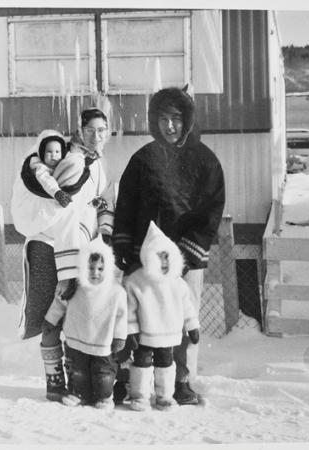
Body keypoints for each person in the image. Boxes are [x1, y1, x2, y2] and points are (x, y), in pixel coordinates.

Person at [113, 86, 225, 405]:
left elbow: (210, 212)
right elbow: (126, 206)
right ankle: (125, 379)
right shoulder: (142, 159)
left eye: (176, 118)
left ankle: (182, 382)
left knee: (182, 320)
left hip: (185, 260)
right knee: (133, 317)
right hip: (140, 259)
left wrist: (188, 254)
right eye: (163, 119)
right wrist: (123, 245)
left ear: (186, 120)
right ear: (154, 122)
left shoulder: (205, 161)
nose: (170, 126)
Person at [11, 109, 116, 402]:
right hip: (52, 249)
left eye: (102, 130)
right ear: (80, 131)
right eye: (91, 130)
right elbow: (66, 215)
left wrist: (104, 230)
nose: (97, 136)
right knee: (52, 316)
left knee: (74, 316)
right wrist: (69, 273)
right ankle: (55, 382)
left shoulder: (96, 163)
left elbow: (98, 202)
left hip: (78, 249)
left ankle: (76, 383)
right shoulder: (73, 161)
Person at [43, 236, 127, 409]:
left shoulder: (116, 292)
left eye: (100, 268)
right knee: (78, 372)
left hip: (102, 343)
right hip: (77, 340)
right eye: (90, 267)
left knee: (102, 375)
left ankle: (104, 396)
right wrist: (51, 320)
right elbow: (60, 303)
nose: (95, 273)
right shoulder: (75, 286)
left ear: (108, 267)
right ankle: (80, 394)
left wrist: (119, 337)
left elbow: (121, 315)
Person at [124, 221, 199, 411]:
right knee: (141, 364)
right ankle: (140, 396)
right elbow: (130, 310)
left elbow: (187, 307)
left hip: (168, 336)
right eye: (159, 257)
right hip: (144, 335)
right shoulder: (136, 281)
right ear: (148, 257)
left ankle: (164, 396)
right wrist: (131, 332)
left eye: (167, 257)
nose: (164, 262)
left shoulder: (177, 282)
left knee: (166, 364)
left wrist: (192, 326)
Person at [26, 132, 88, 208]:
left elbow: (72, 155)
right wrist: (56, 192)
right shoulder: (40, 167)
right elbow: (46, 180)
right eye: (49, 152)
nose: (53, 155)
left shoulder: (63, 160)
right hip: (46, 197)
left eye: (57, 152)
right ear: (42, 153)